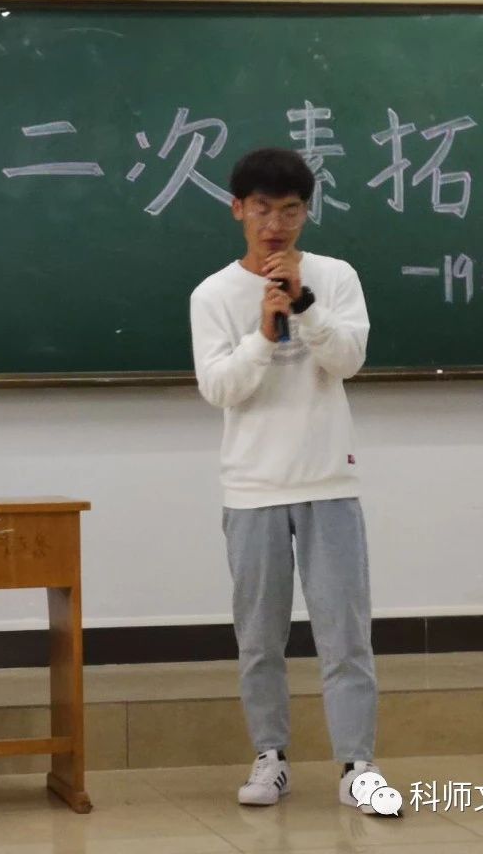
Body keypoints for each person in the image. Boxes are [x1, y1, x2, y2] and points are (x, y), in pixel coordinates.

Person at [188, 146, 382, 812]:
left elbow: (349, 360)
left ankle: (357, 765)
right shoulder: (213, 295)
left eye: (291, 210)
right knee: (260, 639)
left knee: (345, 637)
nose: (276, 224)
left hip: (329, 482)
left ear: (307, 213)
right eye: (263, 209)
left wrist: (306, 306)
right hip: (253, 489)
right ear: (237, 209)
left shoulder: (336, 276)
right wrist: (264, 337)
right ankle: (270, 757)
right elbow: (219, 388)